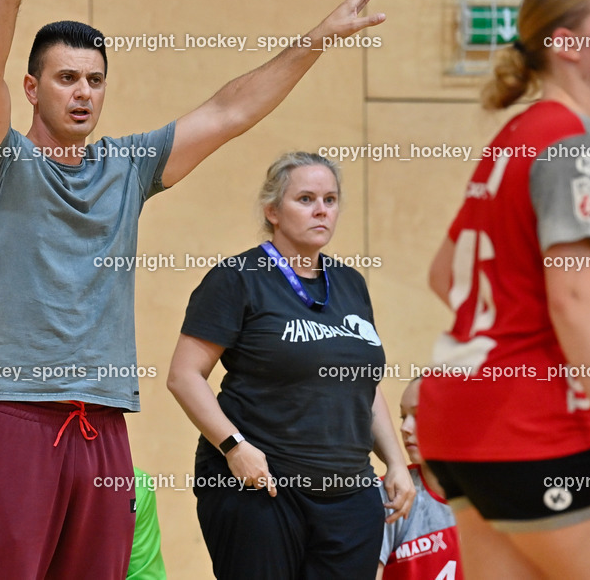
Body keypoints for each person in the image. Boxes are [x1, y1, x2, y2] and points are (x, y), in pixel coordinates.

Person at [0, 0, 386, 576]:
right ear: (32, 89)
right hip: (14, 415)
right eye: (67, 79)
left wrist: (321, 37)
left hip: (104, 420)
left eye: (95, 80)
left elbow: (230, 110)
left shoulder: (127, 166)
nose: (83, 92)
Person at [418, 0, 590, 579]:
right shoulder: (578, 142)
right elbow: (573, 296)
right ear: (567, 44)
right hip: (537, 423)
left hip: (458, 423)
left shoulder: (517, 135)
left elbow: (445, 274)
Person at [167, 151, 414, 579]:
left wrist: (394, 462)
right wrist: (234, 447)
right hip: (263, 484)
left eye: (330, 200)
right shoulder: (238, 277)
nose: (321, 210)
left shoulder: (351, 283)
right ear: (273, 211)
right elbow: (184, 376)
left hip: (348, 490)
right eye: (305, 199)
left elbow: (363, 384)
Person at [377, 377, 462, 580]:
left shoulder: (494, 495)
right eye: (403, 416)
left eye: (418, 415)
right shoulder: (389, 494)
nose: (404, 428)